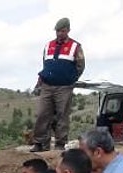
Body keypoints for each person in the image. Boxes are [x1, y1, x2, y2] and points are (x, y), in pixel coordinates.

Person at [31, 17, 85, 153]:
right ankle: (40, 143)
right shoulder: (48, 45)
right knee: (42, 114)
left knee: (62, 115)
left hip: (64, 87)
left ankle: (60, 144)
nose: (59, 33)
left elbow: (81, 66)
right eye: (57, 31)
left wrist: (70, 79)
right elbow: (45, 63)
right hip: (47, 85)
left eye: (62, 31)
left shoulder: (75, 46)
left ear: (68, 30)